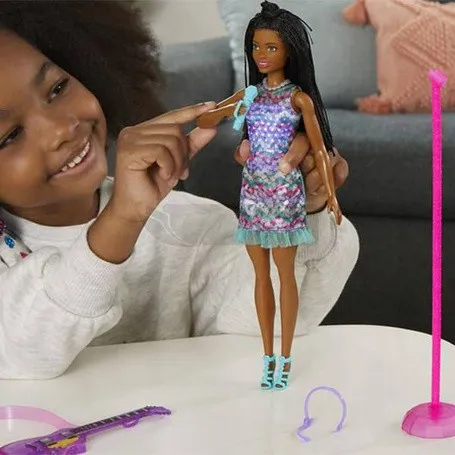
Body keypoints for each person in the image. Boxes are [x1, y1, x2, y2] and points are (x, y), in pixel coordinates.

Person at [0, 0, 359, 380]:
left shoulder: (187, 225)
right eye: (10, 135)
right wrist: (122, 218)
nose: (61, 128)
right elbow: (24, 350)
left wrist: (303, 210)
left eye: (58, 88)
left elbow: (275, 322)